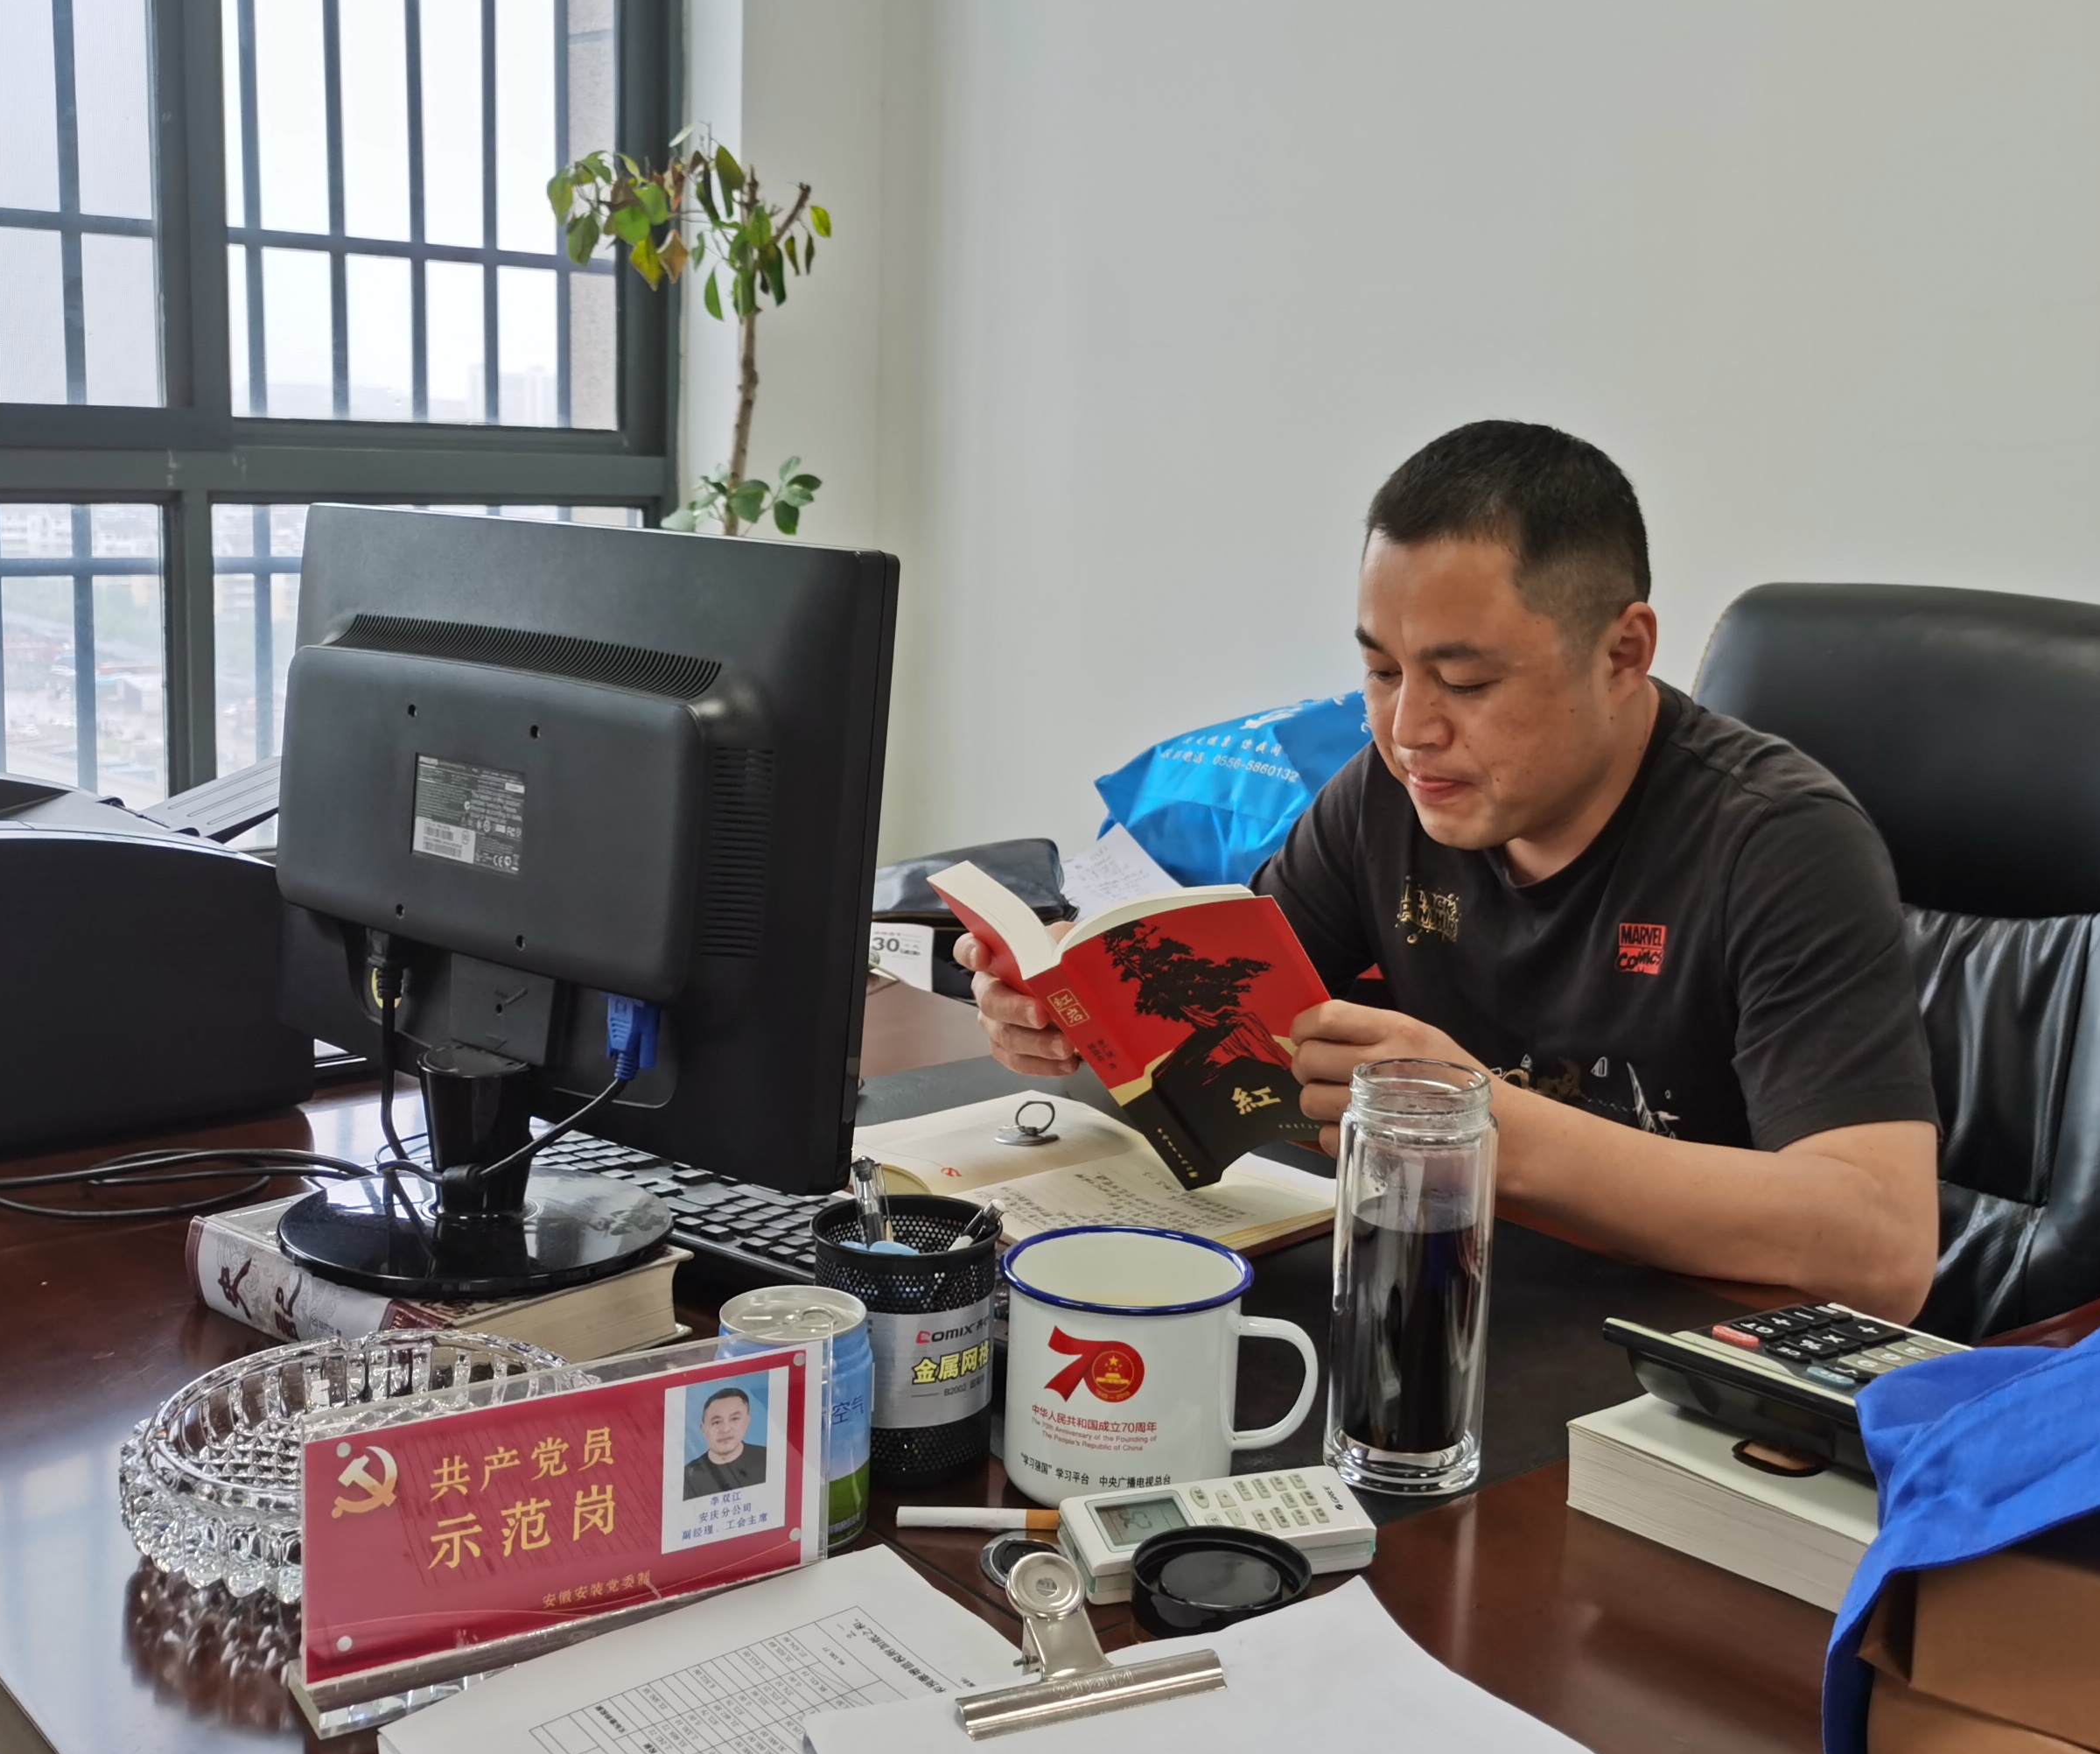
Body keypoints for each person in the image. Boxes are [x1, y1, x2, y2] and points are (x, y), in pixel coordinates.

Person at [963, 420, 1942, 1320]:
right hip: (1458, 1304)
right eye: (1383, 672)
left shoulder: (1779, 843)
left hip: (1678, 1355)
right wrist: (1081, 1005)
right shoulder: (1388, 796)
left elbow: (1884, 1247)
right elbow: (1235, 1025)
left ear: (1623, 653)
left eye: (1465, 681)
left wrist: (1478, 1123)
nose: (1408, 731)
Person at [682, 1385, 770, 1498]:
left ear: (747, 1421)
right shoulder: (687, 1476)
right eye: (717, 1422)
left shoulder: (769, 1459)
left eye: (734, 1419)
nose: (725, 1429)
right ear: (703, 1429)